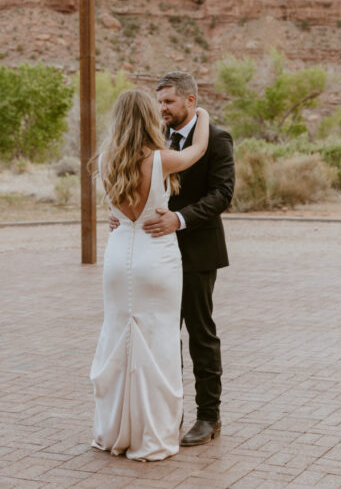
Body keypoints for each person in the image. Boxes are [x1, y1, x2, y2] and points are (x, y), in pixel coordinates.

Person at [111, 71, 236, 448]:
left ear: (190, 101)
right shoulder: (153, 141)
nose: (161, 108)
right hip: (154, 256)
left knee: (200, 333)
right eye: (158, 101)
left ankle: (209, 417)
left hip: (197, 251)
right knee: (162, 336)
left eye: (168, 102)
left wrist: (179, 220)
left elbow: (223, 194)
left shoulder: (216, 138)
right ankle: (169, 412)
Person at [90, 89, 210, 461]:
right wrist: (201, 114)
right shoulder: (160, 160)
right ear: (147, 118)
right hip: (155, 257)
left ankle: (114, 431)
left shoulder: (106, 159)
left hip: (117, 256)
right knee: (157, 345)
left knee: (118, 341)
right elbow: (198, 151)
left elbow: (114, 211)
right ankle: (152, 435)